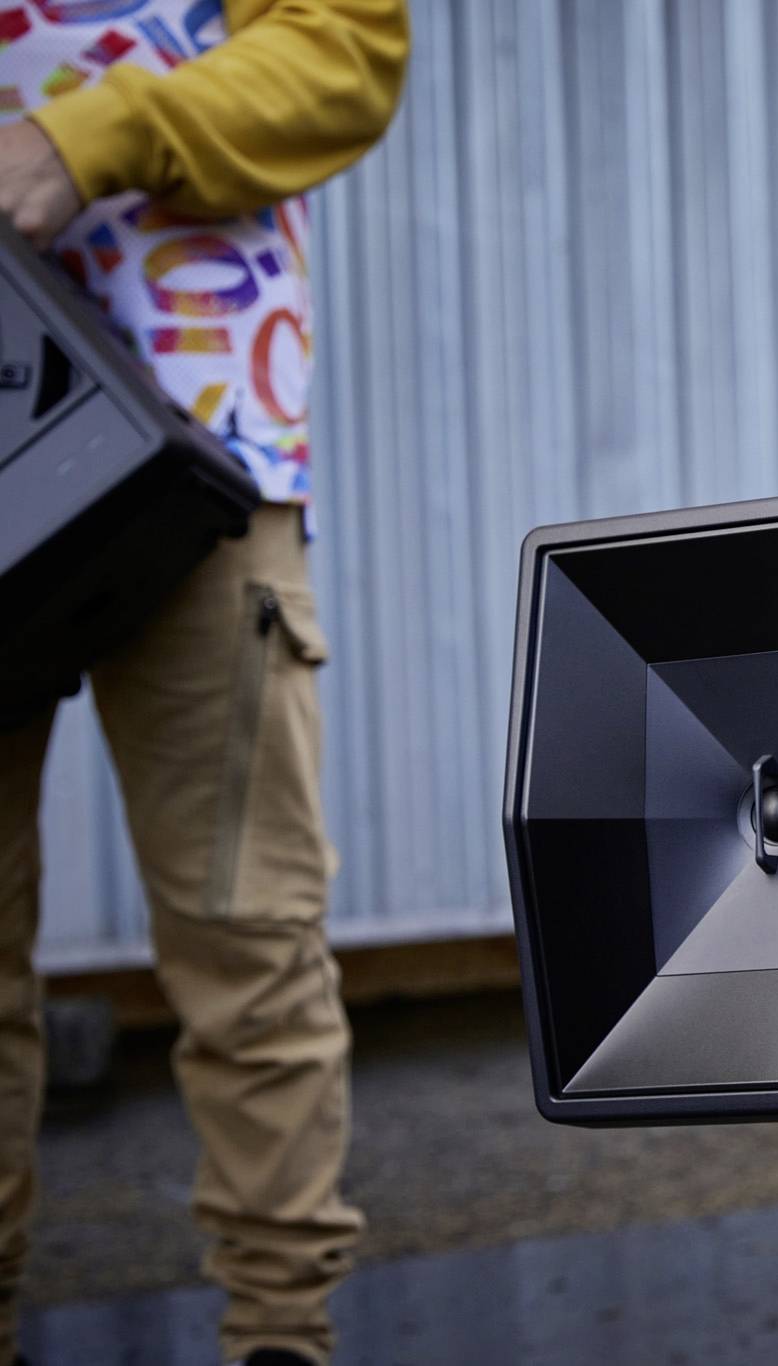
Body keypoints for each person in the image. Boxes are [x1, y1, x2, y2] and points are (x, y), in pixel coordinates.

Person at [0, 4, 407, 1364]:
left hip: (201, 447)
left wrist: (89, 135)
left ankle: (280, 1338)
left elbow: (349, 52)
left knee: (248, 937)